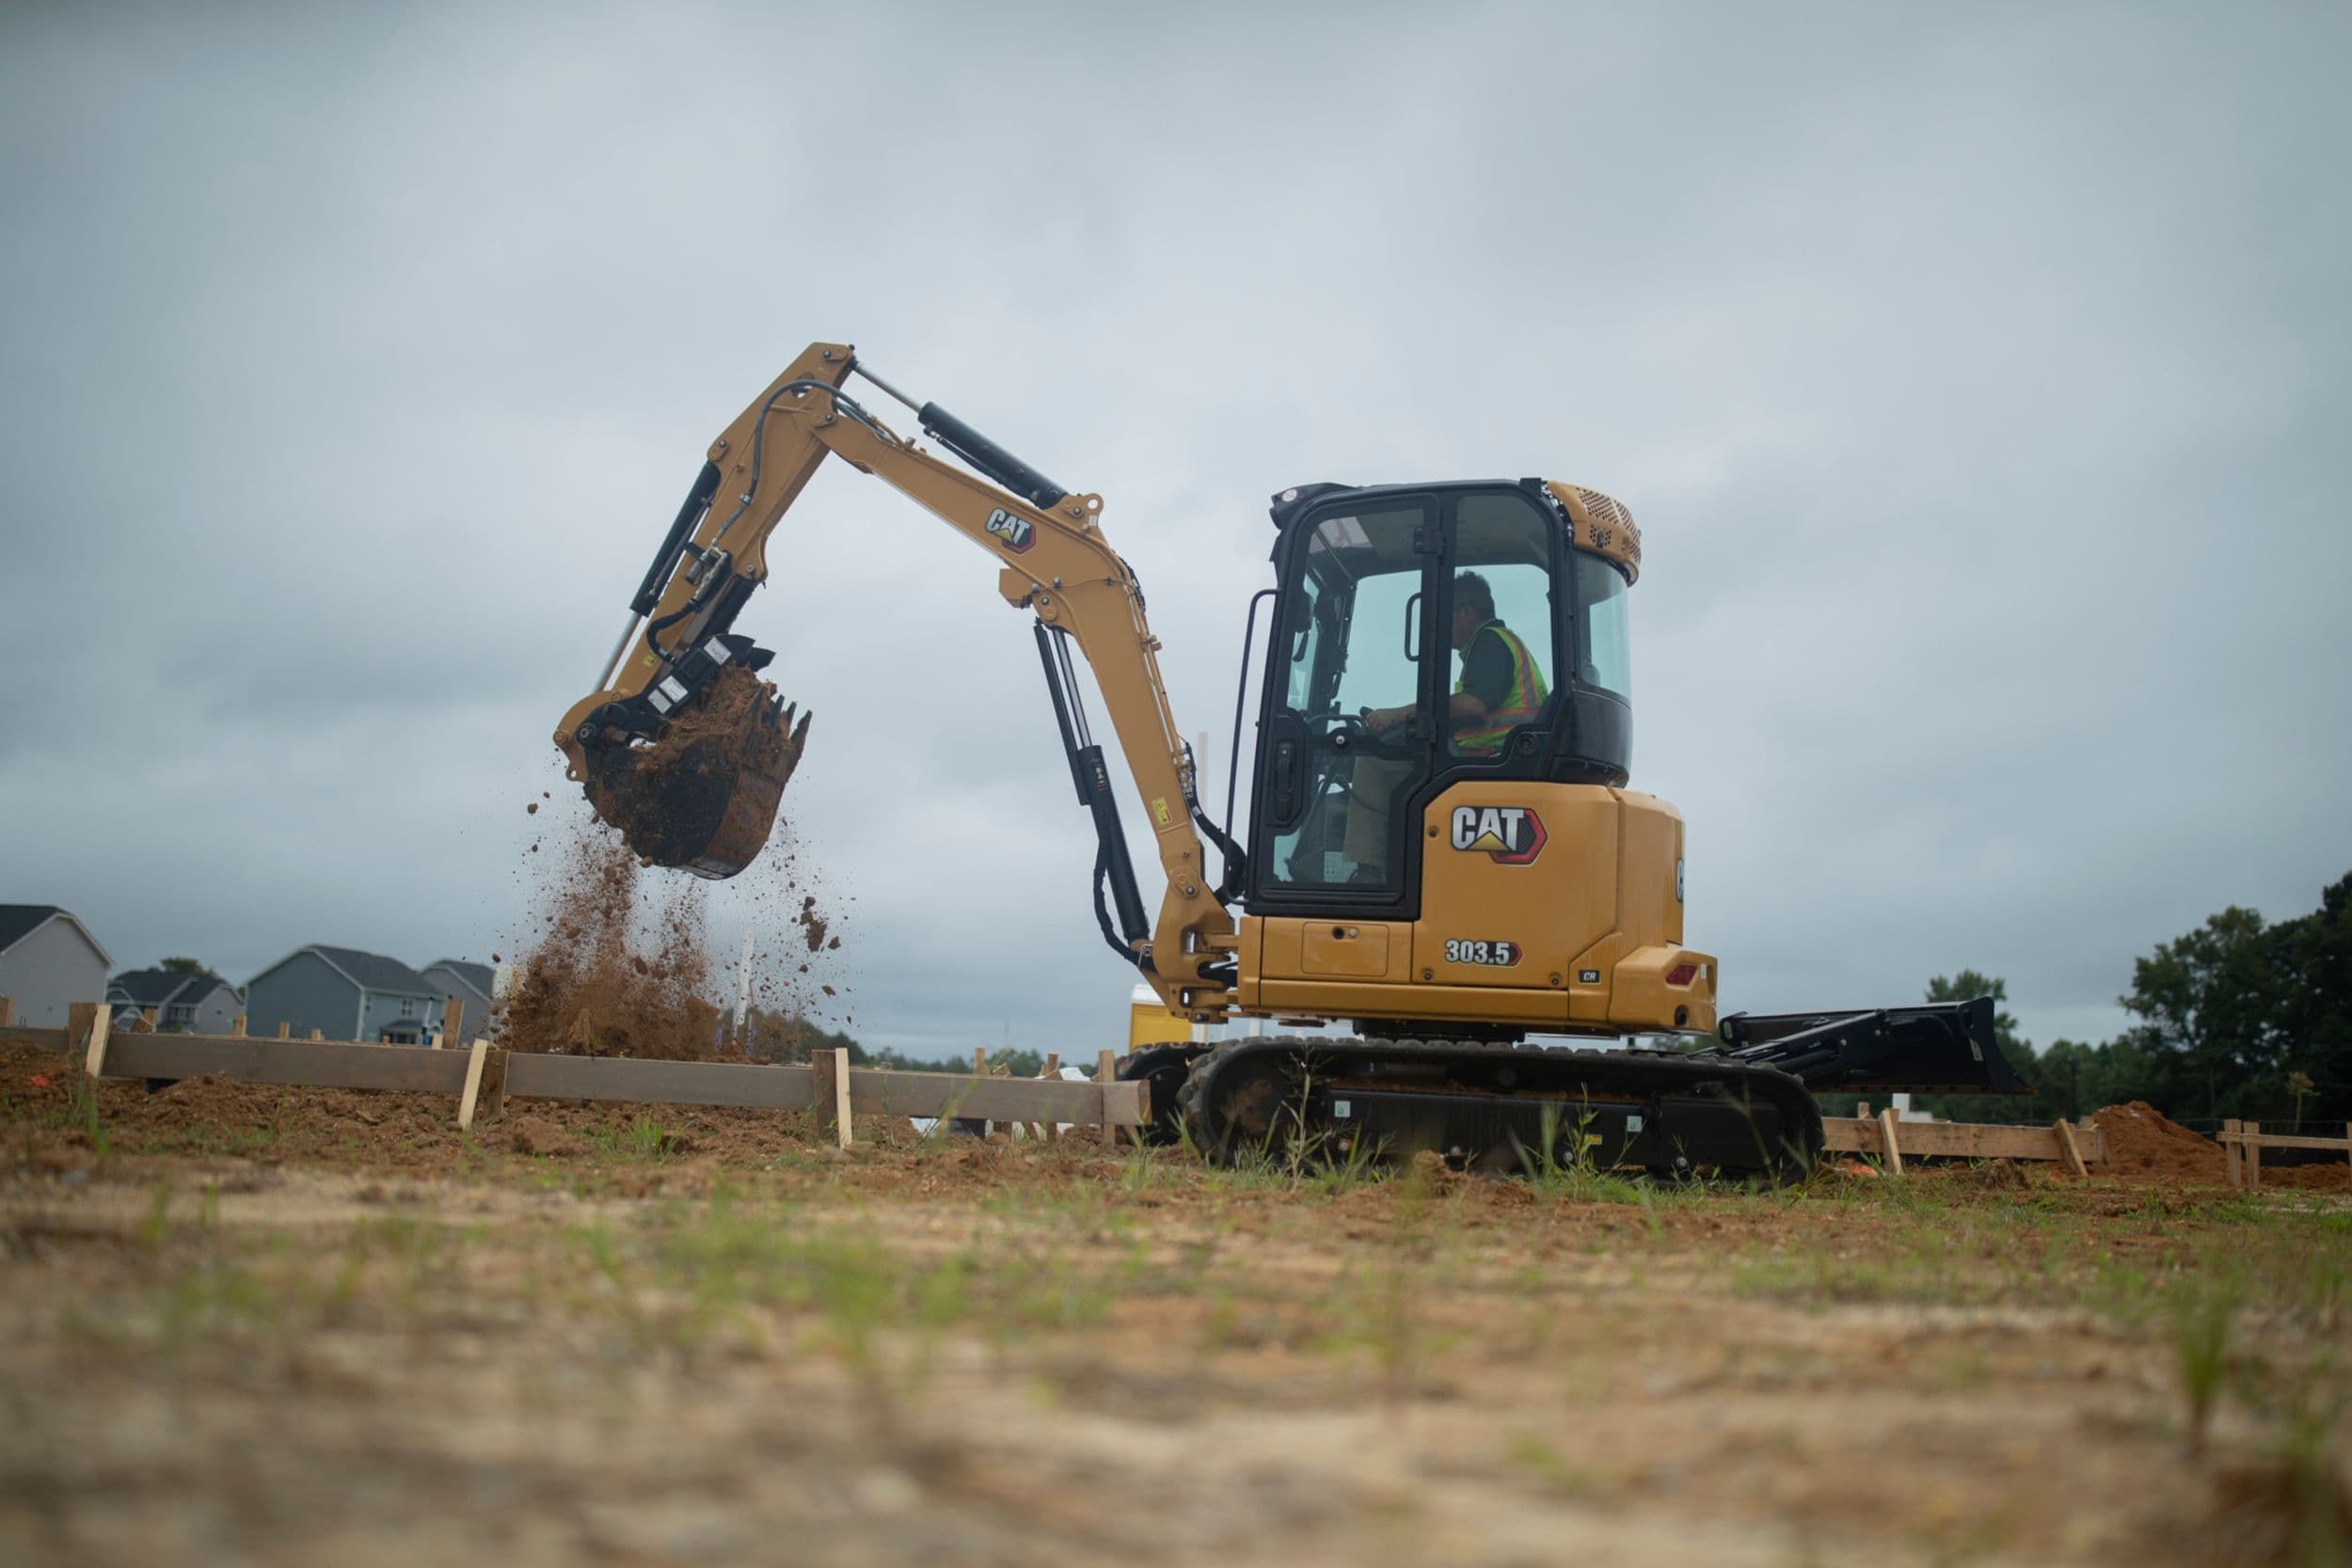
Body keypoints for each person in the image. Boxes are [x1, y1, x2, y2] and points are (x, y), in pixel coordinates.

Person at [1343, 572, 1549, 878]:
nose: (1440, 627)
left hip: (1491, 755)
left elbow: (1474, 704)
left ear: (1467, 613)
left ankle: (1368, 871)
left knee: (1372, 760)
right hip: (1501, 752)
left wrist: (1400, 714)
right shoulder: (1502, 643)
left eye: (1445, 615)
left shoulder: (1490, 642)